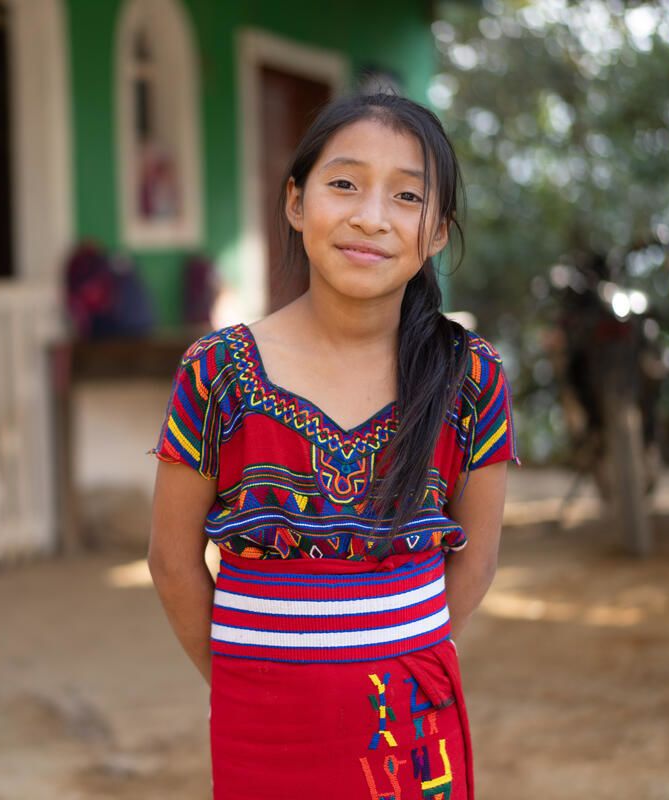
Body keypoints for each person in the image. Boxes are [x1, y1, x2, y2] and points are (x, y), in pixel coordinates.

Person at [147, 92, 519, 799]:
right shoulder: (219, 372)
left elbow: (478, 560)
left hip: (411, 725)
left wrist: (394, 657)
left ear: (437, 231)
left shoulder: (469, 375)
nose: (370, 217)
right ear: (296, 202)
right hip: (260, 722)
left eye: (407, 196)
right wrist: (252, 677)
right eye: (343, 183)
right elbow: (171, 561)